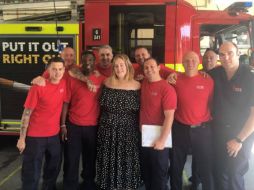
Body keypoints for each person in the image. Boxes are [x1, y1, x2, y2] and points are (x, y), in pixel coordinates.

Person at [16, 57, 66, 190]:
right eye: (54, 69)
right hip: (35, 138)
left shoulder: (64, 84)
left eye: (60, 69)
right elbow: (26, 114)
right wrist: (22, 138)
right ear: (48, 70)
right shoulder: (38, 87)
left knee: (53, 168)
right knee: (31, 173)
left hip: (54, 136)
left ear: (64, 70)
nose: (57, 72)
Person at [210, 41, 254, 190]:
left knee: (234, 173)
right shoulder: (215, 73)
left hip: (241, 134)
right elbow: (194, 77)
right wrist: (172, 76)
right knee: (219, 171)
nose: (226, 57)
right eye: (222, 54)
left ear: (238, 54)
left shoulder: (250, 77)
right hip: (219, 131)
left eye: (230, 53)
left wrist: (238, 139)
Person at [96, 54, 142, 190]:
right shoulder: (106, 82)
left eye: (121, 65)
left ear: (127, 66)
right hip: (107, 129)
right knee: (107, 158)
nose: (119, 68)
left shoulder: (137, 85)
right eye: (116, 65)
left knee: (126, 159)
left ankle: (126, 185)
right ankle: (109, 185)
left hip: (128, 130)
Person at [169, 51, 214, 190]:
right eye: (187, 60)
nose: (190, 63)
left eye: (193, 60)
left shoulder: (208, 80)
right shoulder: (175, 79)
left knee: (204, 165)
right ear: (182, 63)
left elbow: (212, 103)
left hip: (202, 130)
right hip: (179, 129)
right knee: (176, 165)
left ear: (199, 62)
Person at [61, 51, 105, 190]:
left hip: (93, 127)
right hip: (74, 126)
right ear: (81, 62)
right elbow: (66, 103)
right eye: (85, 60)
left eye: (91, 60)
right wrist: (63, 124)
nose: (88, 63)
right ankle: (70, 185)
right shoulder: (72, 78)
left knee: (90, 158)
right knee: (71, 158)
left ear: (95, 62)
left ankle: (88, 183)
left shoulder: (102, 79)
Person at [140, 57, 177, 190]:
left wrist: (162, 140)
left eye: (152, 66)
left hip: (160, 139)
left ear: (159, 68)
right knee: (146, 173)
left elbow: (169, 117)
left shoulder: (167, 89)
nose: (149, 70)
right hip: (144, 138)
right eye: (146, 67)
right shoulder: (143, 83)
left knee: (159, 174)